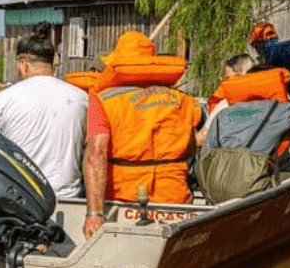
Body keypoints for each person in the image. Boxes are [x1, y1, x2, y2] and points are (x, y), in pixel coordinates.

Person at [82, 31, 204, 239]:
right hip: (173, 197)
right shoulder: (183, 100)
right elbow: (191, 147)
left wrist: (94, 213)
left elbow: (96, 154)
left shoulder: (104, 101)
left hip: (124, 199)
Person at [0, 22, 88, 199]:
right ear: (52, 62)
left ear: (24, 63)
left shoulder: (7, 97)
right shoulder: (81, 97)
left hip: (22, 198)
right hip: (68, 197)